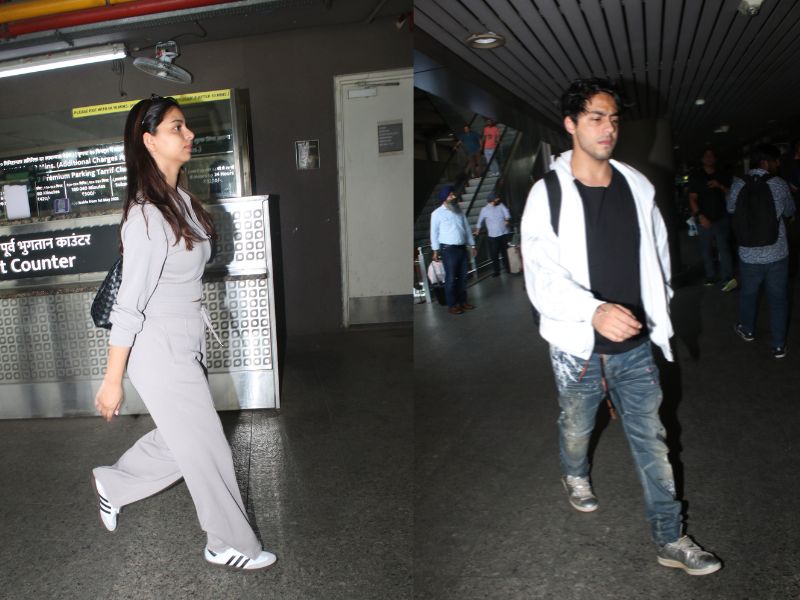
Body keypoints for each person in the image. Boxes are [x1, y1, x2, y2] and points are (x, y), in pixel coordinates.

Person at [521, 78, 721, 575]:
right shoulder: (547, 194)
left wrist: (658, 308)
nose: (607, 128)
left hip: (634, 345)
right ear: (571, 125)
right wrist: (592, 311)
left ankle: (670, 538)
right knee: (577, 424)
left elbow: (658, 255)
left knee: (652, 439)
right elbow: (541, 275)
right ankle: (574, 472)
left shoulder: (637, 186)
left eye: (613, 119)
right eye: (595, 118)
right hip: (577, 347)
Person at [92, 95, 276, 571]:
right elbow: (128, 306)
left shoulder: (181, 202)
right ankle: (227, 543)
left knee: (184, 438)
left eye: (186, 126)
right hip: (158, 346)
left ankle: (115, 483)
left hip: (185, 338)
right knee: (206, 443)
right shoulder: (146, 216)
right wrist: (112, 380)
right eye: (177, 127)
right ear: (149, 141)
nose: (189, 134)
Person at [727, 143, 796, 358]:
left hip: (748, 254)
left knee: (749, 294)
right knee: (778, 298)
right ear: (766, 162)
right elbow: (790, 210)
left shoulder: (738, 183)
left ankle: (747, 329)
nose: (777, 164)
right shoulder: (779, 183)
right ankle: (778, 345)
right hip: (777, 253)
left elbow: (730, 208)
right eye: (776, 161)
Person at [688, 148, 737, 291]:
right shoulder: (696, 176)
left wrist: (719, 185)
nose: (709, 158)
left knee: (724, 248)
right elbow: (692, 198)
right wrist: (700, 216)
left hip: (721, 217)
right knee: (706, 249)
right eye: (706, 156)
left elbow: (731, 193)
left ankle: (727, 277)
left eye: (711, 156)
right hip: (704, 219)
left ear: (715, 159)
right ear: (702, 159)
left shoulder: (722, 174)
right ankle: (710, 276)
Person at [430, 185, 476, 314]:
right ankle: (452, 305)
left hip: (462, 248)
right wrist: (435, 250)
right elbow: (434, 233)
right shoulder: (436, 214)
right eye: (451, 195)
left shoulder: (459, 211)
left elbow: (467, 228)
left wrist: (472, 245)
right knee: (450, 278)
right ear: (445, 198)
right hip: (448, 250)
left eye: (453, 194)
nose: (454, 196)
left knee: (463, 277)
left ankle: (462, 301)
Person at [474, 192, 511, 277]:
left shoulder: (501, 205)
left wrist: (507, 219)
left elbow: (507, 213)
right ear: (492, 200)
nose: (498, 199)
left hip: (503, 234)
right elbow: (480, 221)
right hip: (493, 236)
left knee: (505, 253)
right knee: (494, 255)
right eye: (496, 198)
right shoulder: (484, 210)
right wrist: (477, 230)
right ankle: (496, 271)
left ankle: (508, 268)